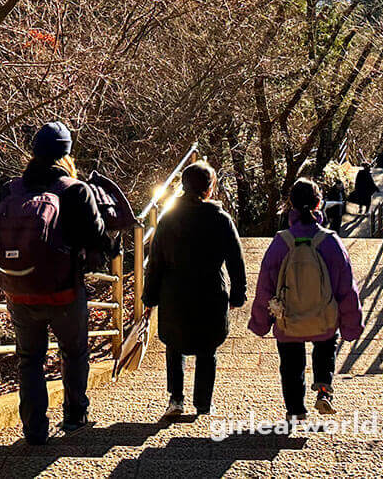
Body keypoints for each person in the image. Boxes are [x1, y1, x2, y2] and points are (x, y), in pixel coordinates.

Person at [0, 122, 109, 445]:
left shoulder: (9, 190)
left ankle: (34, 430)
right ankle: (74, 415)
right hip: (64, 293)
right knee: (74, 352)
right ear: (66, 153)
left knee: (30, 359)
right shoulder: (75, 190)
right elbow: (99, 240)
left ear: (34, 152)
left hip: (20, 293)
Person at [249, 178, 362, 425]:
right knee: (325, 346)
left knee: (290, 363)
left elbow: (265, 286)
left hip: (289, 318)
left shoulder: (281, 242)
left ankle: (295, 409)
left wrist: (260, 322)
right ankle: (323, 388)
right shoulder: (331, 241)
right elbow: (346, 288)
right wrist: (352, 325)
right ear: (319, 203)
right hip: (324, 318)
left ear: (290, 204)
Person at [142, 160, 247, 418]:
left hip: (174, 292)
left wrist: (150, 296)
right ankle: (203, 403)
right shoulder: (221, 219)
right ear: (209, 188)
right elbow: (236, 259)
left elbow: (155, 262)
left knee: (174, 345)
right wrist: (238, 294)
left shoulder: (167, 219)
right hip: (210, 291)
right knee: (207, 348)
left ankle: (175, 400)